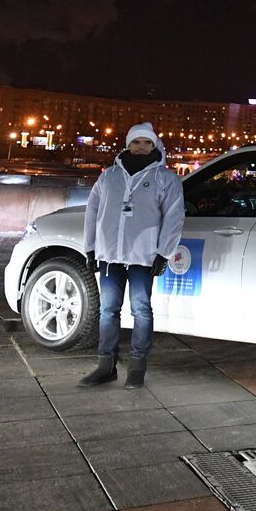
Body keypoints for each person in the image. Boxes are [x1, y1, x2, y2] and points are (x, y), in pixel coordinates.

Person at [79, 123, 185, 389]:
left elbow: (174, 216)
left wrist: (164, 252)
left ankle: (137, 366)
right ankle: (106, 365)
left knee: (141, 309)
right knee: (107, 310)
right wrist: (90, 247)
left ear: (154, 146)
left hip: (143, 255)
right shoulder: (109, 176)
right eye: (136, 142)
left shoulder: (165, 178)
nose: (141, 147)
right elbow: (93, 211)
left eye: (146, 143)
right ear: (127, 145)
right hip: (110, 255)